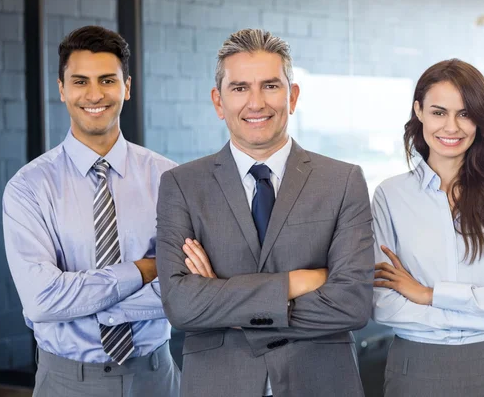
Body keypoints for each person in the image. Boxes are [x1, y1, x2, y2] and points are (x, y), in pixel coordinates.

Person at [155, 28, 374, 397]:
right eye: (240, 88)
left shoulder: (343, 180)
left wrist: (221, 298)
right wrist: (294, 283)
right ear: (218, 101)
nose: (256, 103)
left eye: (270, 86)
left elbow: (352, 304)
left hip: (321, 382)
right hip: (220, 384)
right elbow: (181, 306)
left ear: (293, 96)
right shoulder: (181, 185)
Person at [2, 26, 179, 397]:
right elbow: (42, 299)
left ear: (126, 87)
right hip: (66, 381)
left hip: (156, 377)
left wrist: (82, 300)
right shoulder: (29, 187)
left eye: (107, 80)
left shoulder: (169, 178)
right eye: (80, 81)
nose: (94, 94)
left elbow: (183, 289)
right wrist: (144, 269)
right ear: (62, 88)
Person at [371, 59, 484, 397]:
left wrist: (429, 295)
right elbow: (383, 304)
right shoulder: (390, 196)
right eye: (439, 112)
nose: (451, 127)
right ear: (418, 110)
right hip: (415, 366)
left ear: (479, 120)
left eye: (465, 114)